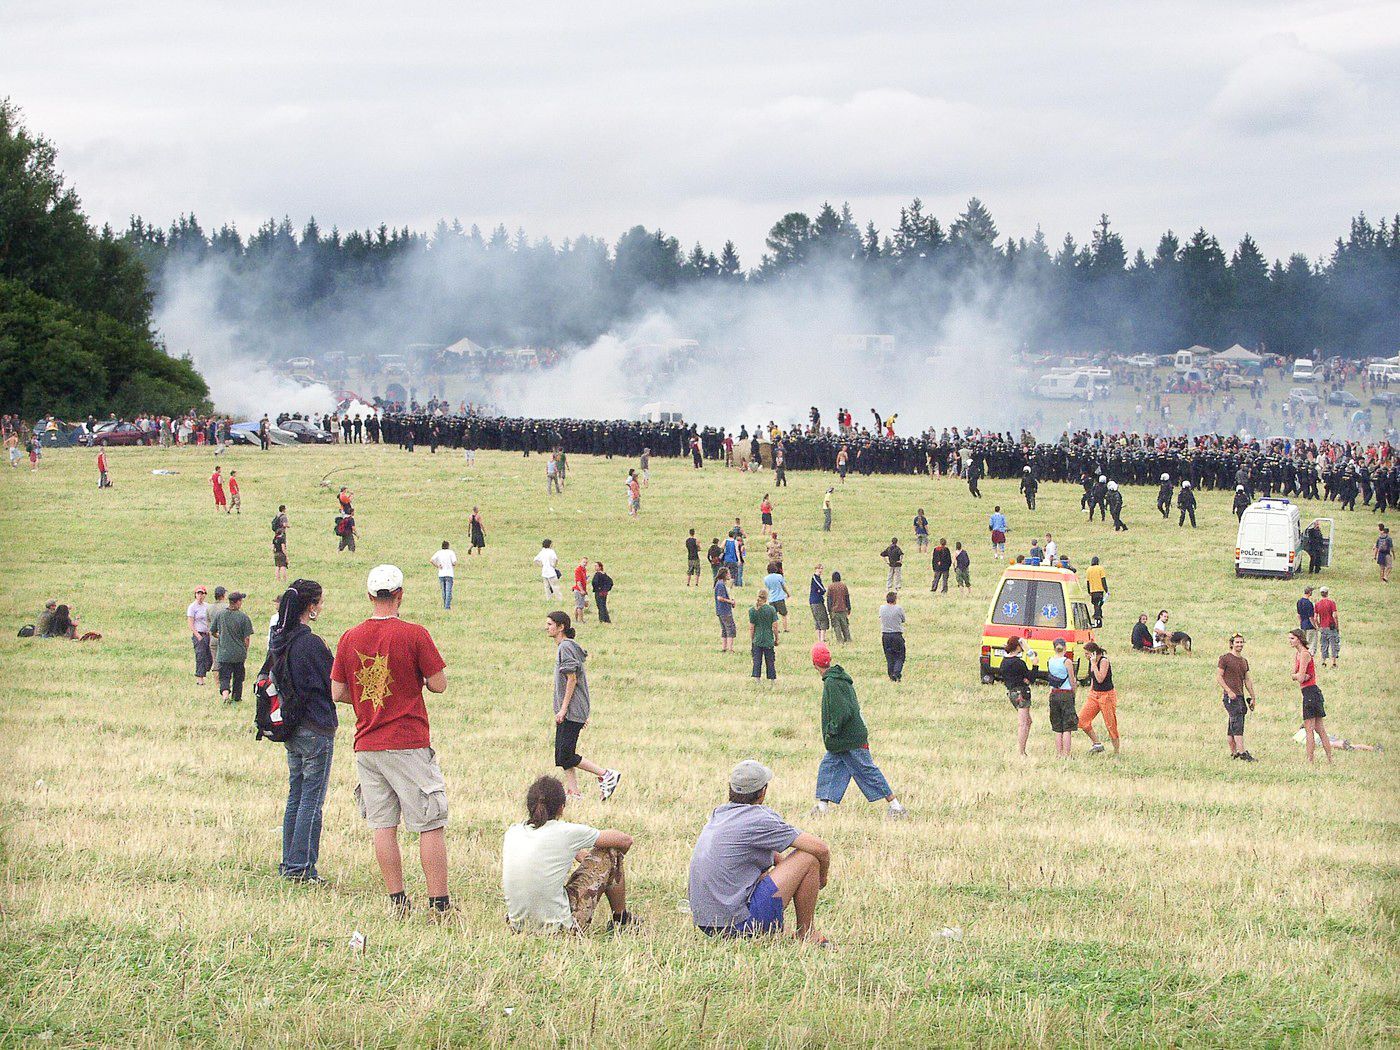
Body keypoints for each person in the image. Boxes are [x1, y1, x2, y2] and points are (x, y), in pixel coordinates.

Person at [331, 565, 453, 919]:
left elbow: (337, 690)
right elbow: (439, 684)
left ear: (370, 596)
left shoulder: (349, 637)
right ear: (400, 594)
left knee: (382, 824)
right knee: (429, 821)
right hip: (408, 741)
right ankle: (439, 905)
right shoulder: (415, 634)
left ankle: (397, 902)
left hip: (367, 742)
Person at [687, 760, 831, 944]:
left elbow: (772, 857)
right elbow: (821, 848)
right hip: (738, 925)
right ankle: (807, 932)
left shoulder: (719, 814)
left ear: (730, 788)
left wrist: (791, 875)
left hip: (708, 924)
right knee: (808, 858)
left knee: (777, 867)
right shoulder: (760, 818)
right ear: (762, 792)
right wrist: (821, 878)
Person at [502, 776, 638, 934]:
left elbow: (564, 849)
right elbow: (625, 841)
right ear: (561, 807)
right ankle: (621, 920)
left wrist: (590, 863)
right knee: (611, 850)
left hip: (519, 927)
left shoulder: (513, 831)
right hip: (559, 929)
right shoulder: (566, 832)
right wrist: (611, 867)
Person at [271, 579, 336, 883]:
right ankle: (302, 867)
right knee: (312, 799)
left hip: (292, 727)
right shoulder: (311, 643)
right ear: (310, 607)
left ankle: (290, 862)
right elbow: (333, 683)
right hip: (316, 726)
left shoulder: (280, 639)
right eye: (320, 602)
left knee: (295, 796)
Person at [809, 644, 906, 818]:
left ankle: (896, 806)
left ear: (814, 664)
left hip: (849, 738)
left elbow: (842, 711)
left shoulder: (832, 682)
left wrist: (832, 729)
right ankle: (822, 807)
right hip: (842, 740)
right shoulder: (839, 679)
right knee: (829, 767)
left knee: (867, 770)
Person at [546, 611, 622, 801]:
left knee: (565, 755)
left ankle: (606, 774)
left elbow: (571, 678)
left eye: (550, 624)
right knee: (562, 754)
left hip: (570, 710)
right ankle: (574, 793)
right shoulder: (565, 647)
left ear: (561, 627)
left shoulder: (565, 647)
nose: (546, 628)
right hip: (571, 709)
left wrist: (564, 709)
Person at [1289, 629, 1332, 765]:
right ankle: (1329, 759)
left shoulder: (1304, 654)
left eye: (1292, 638)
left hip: (1309, 693)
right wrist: (1298, 676)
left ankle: (1310, 761)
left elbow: (1300, 677)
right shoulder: (1298, 654)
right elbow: (1296, 675)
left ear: (1299, 639)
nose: (1290, 641)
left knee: (1309, 729)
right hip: (1310, 692)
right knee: (1320, 729)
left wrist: (1298, 676)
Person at [1216, 633, 1258, 762]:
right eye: (1237, 642)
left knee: (1233, 724)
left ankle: (1234, 752)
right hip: (1231, 696)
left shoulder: (1243, 661)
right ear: (1231, 644)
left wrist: (1252, 696)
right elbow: (1219, 677)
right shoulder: (1225, 658)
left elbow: (1247, 679)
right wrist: (1228, 691)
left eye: (1241, 642)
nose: (1239, 645)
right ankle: (1241, 752)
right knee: (1237, 723)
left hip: (1240, 696)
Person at [211, 591, 254, 703]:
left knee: (224, 676)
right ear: (238, 602)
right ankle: (236, 698)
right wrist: (245, 650)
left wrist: (221, 636)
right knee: (238, 678)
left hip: (224, 653)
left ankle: (225, 696)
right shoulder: (244, 617)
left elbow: (213, 631)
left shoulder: (220, 615)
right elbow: (247, 638)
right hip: (239, 653)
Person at [1078, 642, 1119, 755]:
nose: (1086, 656)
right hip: (1094, 695)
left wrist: (1094, 664)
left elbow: (1100, 678)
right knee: (1082, 720)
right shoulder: (1091, 662)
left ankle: (1116, 751)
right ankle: (1096, 743)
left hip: (1106, 695)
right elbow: (1093, 679)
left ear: (1094, 653)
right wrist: (1090, 691)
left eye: (1087, 654)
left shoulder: (1104, 661)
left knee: (1110, 723)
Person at [1001, 637, 1034, 756]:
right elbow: (1030, 679)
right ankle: (1021, 751)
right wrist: (1035, 664)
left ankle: (1022, 749)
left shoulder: (1004, 662)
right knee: (1023, 723)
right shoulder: (1019, 663)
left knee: (1028, 721)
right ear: (1018, 647)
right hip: (1022, 692)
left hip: (1011, 692)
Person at [1046, 638, 1077, 758]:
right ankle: (1066, 754)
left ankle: (1059, 753)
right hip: (1066, 693)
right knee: (1067, 727)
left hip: (1054, 693)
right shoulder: (1067, 662)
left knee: (1058, 727)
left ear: (1054, 648)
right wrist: (1074, 692)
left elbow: (1051, 680)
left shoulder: (1050, 661)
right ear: (1065, 648)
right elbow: (1072, 679)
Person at [749, 591, 779, 681]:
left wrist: (752, 639)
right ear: (766, 598)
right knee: (770, 661)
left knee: (757, 660)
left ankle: (757, 678)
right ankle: (772, 679)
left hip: (757, 639)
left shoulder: (752, 610)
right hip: (768, 639)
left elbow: (751, 627)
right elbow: (775, 626)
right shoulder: (771, 609)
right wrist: (777, 638)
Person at [187, 585, 213, 686]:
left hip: (207, 634)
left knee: (210, 657)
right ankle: (200, 679)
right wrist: (197, 635)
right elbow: (190, 623)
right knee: (200, 655)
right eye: (198, 593)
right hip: (198, 633)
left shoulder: (207, 606)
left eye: (202, 593)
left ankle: (205, 670)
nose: (200, 595)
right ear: (195, 595)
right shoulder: (192, 607)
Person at [878, 591, 906, 682]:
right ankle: (896, 672)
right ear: (895, 600)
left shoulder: (882, 608)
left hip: (885, 635)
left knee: (889, 656)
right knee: (900, 656)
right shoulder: (898, 608)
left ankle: (891, 675)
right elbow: (903, 620)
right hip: (896, 635)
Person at [1314, 586, 1340, 667]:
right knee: (1333, 644)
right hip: (1331, 626)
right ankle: (1334, 662)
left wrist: (1319, 626)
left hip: (1323, 627)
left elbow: (1315, 618)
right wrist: (1337, 626)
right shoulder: (1331, 603)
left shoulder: (1317, 604)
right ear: (1327, 593)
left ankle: (1323, 661)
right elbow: (1334, 615)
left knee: (1324, 644)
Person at [428, 541, 457, 610]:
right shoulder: (451, 552)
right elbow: (454, 562)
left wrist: (438, 565)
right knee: (448, 591)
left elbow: (431, 560)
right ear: (448, 546)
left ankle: (445, 604)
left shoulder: (439, 552)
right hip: (449, 573)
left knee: (443, 591)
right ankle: (447, 607)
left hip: (441, 573)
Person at [714, 567, 737, 652]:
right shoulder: (720, 584)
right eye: (728, 573)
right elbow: (720, 598)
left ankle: (724, 647)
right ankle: (730, 648)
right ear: (724, 574)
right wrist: (730, 602)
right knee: (730, 628)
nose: (729, 575)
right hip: (725, 610)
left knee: (724, 629)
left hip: (720, 610)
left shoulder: (719, 583)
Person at [825, 570, 851, 644]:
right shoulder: (843, 586)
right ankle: (848, 639)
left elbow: (829, 600)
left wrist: (829, 610)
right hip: (843, 609)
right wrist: (849, 608)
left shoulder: (830, 587)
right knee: (845, 625)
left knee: (837, 626)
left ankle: (839, 641)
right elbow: (847, 598)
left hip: (834, 610)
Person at [764, 562, 789, 634]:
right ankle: (785, 628)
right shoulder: (779, 577)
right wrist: (787, 594)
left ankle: (775, 629)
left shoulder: (766, 578)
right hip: (780, 598)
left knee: (773, 616)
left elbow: (768, 588)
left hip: (771, 598)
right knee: (784, 614)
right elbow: (783, 586)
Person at [808, 565, 829, 642]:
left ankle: (819, 638)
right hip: (817, 601)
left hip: (814, 601)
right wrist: (821, 591)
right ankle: (822, 638)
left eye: (821, 568)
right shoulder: (815, 578)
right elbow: (822, 589)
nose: (820, 570)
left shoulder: (818, 578)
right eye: (818, 568)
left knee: (817, 619)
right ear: (815, 569)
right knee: (822, 619)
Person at [1086, 557, 1108, 628]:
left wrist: (1089, 591)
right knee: (1099, 603)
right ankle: (1097, 616)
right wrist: (1106, 589)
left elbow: (1088, 582)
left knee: (1095, 603)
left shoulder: (1088, 569)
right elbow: (1103, 579)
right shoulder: (1100, 568)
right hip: (1099, 590)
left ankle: (1098, 614)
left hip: (1093, 590)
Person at [1296, 586, 1317, 653]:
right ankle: (1310, 658)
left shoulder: (1299, 602)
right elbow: (1311, 617)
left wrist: (1301, 623)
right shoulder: (1309, 603)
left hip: (1303, 625)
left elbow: (1298, 615)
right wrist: (1315, 626)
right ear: (1309, 592)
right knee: (1311, 643)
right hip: (1309, 626)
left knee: (1303, 643)